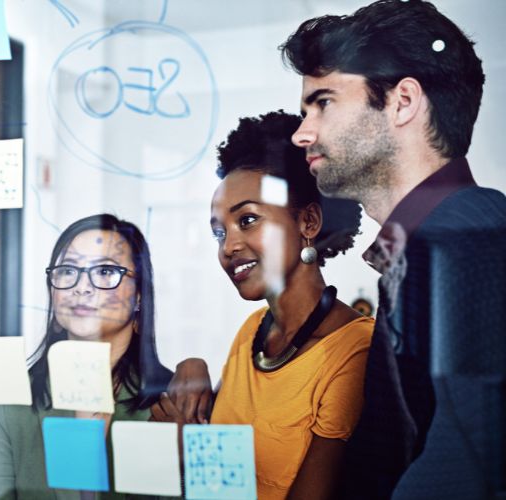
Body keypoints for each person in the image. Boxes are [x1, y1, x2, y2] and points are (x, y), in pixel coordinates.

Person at [281, 1, 506, 498]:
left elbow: (473, 466)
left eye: (323, 102)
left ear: (402, 102)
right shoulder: (434, 243)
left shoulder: (467, 237)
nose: (303, 132)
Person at [153, 111, 374, 500]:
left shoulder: (354, 349)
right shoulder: (251, 334)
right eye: (219, 232)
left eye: (248, 220)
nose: (228, 247)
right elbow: (213, 470)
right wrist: (194, 367)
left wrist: (191, 454)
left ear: (308, 221)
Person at [0, 214, 172, 499]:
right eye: (68, 271)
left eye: (106, 271)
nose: (81, 287)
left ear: (138, 297)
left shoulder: (172, 402)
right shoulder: (11, 404)